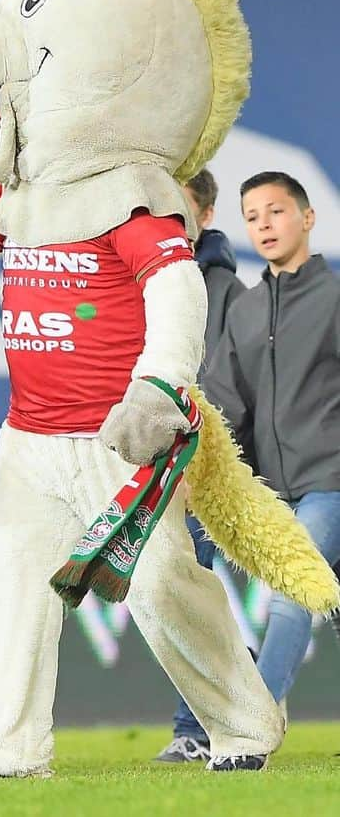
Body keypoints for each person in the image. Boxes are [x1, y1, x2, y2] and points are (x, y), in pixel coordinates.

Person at [166, 170, 340, 741]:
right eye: (253, 216)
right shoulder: (244, 311)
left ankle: (252, 724)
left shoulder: (335, 299)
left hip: (329, 481)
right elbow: (225, 408)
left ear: (308, 218)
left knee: (292, 593)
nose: (264, 225)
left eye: (277, 212)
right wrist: (197, 471)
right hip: (272, 493)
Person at [156, 168, 249, 763]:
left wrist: (200, 447)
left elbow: (226, 381)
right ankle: (219, 714)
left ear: (206, 216)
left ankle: (198, 727)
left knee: (191, 594)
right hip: (153, 458)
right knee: (174, 593)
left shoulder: (225, 294)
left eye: (182, 208)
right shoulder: (146, 275)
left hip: (206, 460)